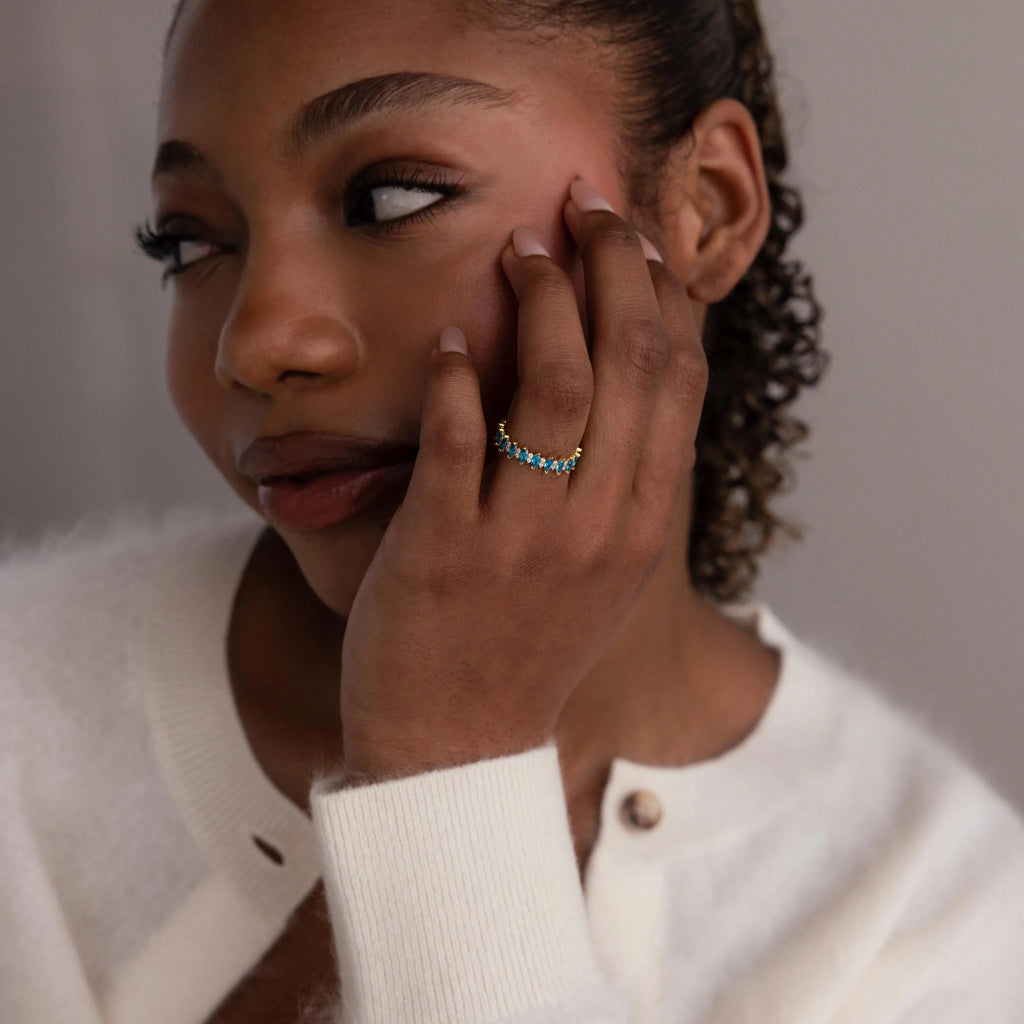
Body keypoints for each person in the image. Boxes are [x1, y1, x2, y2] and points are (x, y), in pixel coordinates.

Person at [2, 0, 1023, 1021]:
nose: (257, 339)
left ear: (703, 207)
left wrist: (445, 764)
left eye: (391, 197)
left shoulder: (931, 914)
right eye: (187, 243)